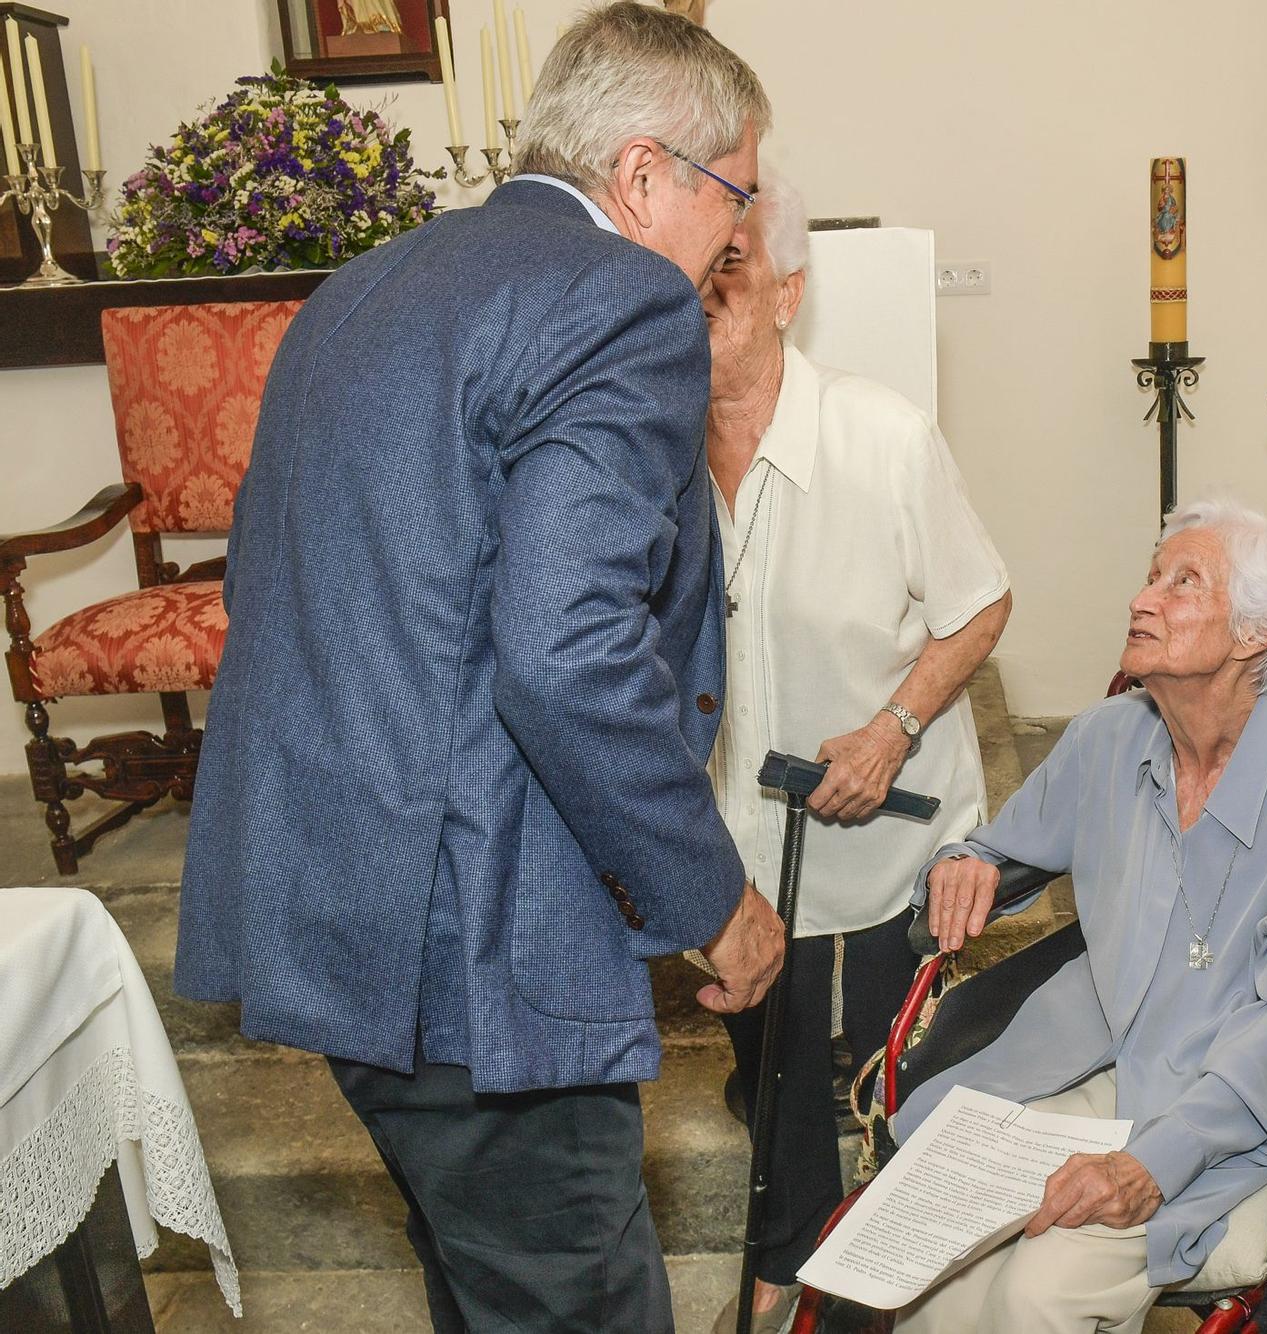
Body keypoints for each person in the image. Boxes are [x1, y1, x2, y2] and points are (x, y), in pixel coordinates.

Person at [175, 7, 785, 1330]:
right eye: (732, 194)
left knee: (484, 1280)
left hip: (338, 911)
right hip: (478, 937)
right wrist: (709, 894)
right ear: (641, 175)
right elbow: (568, 651)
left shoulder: (369, 284)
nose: (738, 237)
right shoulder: (619, 299)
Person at [894, 499, 1267, 1334]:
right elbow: (985, 849)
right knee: (930, 1276)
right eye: (1152, 575)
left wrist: (1151, 1165)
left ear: (1257, 633)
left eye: (1182, 582)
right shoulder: (1108, 740)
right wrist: (963, 865)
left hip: (1215, 1110)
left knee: (1036, 1300)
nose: (1142, 598)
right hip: (1075, 1066)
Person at [701, 169, 1013, 1333]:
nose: (703, 289)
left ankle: (900, 1280)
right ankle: (788, 1263)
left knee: (902, 1083)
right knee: (770, 1082)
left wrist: (894, 726)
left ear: (787, 292)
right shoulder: (645, 453)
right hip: (738, 838)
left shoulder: (881, 435)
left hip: (887, 836)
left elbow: (979, 604)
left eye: (730, 265)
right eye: (692, 264)